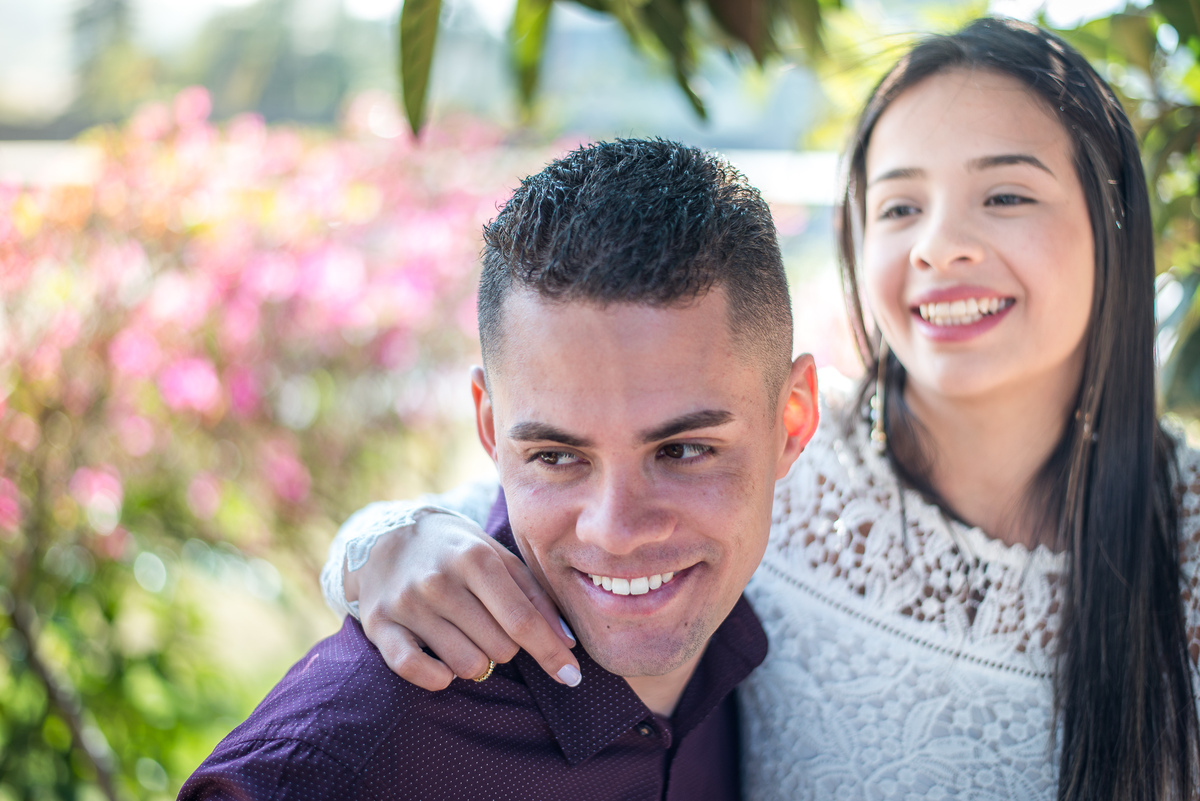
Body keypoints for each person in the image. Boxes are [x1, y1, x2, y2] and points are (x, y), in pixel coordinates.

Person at [320, 17, 1200, 801]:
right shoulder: (763, 475)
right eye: (900, 205)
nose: (940, 246)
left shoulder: (1186, 537)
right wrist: (370, 548)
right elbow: (530, 504)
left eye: (1004, 194)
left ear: (1116, 216)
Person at [180, 138, 820, 801]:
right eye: (558, 456)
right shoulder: (343, 755)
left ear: (793, 419)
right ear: (490, 429)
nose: (617, 529)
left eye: (683, 450)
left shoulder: (755, 648)